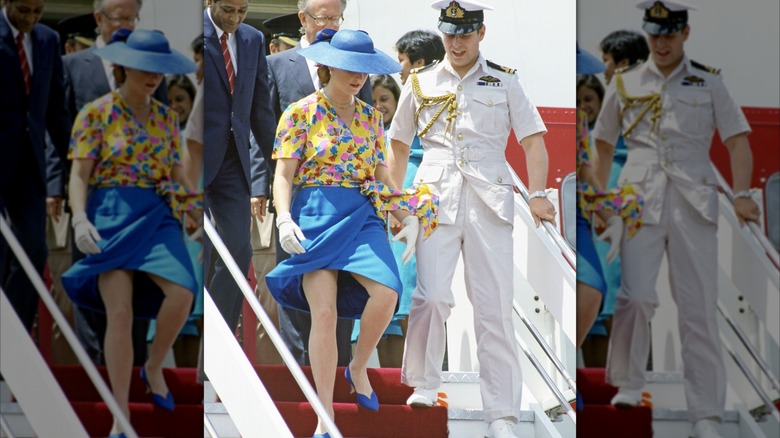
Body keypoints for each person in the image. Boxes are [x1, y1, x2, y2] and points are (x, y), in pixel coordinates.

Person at [388, 2, 556, 437]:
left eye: (464, 34)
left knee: (494, 309)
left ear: (481, 33)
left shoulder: (504, 81)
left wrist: (537, 194)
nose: (456, 43)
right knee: (430, 297)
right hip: (433, 196)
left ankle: (500, 413)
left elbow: (534, 141)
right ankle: (425, 382)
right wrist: (395, 200)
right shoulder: (421, 81)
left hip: (489, 198)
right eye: (449, 34)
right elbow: (399, 144)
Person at [593, 2, 760, 437]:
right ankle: (629, 383)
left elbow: (738, 141)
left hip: (692, 199)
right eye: (653, 35)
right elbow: (603, 143)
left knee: (697, 310)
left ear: (685, 33)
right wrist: (600, 197)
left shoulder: (708, 81)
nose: (660, 43)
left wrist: (742, 194)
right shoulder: (626, 82)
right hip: (637, 197)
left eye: (668, 35)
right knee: (635, 297)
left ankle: (705, 413)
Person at [265, 28, 437, 438]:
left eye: (364, 69)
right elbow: (283, 175)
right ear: (328, 67)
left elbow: (382, 177)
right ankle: (325, 413)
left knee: (388, 292)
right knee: (322, 316)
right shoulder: (300, 112)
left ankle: (358, 365)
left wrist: (407, 214)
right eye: (351, 69)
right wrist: (284, 217)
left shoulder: (372, 118)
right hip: (315, 214)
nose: (359, 77)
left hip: (361, 214)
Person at [60, 29, 199, 438]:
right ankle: (120, 414)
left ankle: (153, 365)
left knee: (183, 292)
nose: (154, 76)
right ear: (124, 66)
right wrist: (80, 219)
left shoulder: (166, 118)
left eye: (160, 69)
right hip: (111, 214)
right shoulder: (95, 112)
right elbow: (78, 175)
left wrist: (192, 208)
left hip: (157, 215)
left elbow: (177, 174)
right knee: (118, 315)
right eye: (146, 68)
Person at [60, 0, 168, 367]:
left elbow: (165, 131)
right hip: (90, 192)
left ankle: (137, 368)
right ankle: (94, 370)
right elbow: (58, 127)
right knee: (93, 283)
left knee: (135, 294)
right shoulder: (73, 65)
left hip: (142, 205)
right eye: (119, 17)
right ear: (98, 19)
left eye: (131, 17)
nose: (126, 23)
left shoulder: (153, 69)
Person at [266, 0, 372, 368]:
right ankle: (298, 372)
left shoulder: (359, 70)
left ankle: (340, 369)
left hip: (347, 205)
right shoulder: (278, 65)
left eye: (335, 17)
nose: (329, 23)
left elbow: (368, 136)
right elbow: (262, 127)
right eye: (322, 17)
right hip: (294, 193)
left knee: (339, 296)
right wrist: (264, 192)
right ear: (303, 19)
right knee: (297, 285)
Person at [203, 0, 277, 335]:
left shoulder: (252, 39)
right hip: (193, 156)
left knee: (239, 247)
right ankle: (196, 328)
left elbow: (260, 106)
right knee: (200, 249)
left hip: (234, 160)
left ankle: (218, 331)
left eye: (242, 11)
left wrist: (278, 161)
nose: (235, 19)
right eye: (228, 10)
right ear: (209, 2)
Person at [1, 0, 72, 336]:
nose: (30, 18)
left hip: (31, 163)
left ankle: (12, 331)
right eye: (23, 10)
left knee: (34, 247)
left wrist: (71, 160)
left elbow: (56, 107)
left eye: (37, 11)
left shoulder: (47, 39)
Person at [582, 29, 650, 368]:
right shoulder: (616, 103)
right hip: (604, 209)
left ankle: (630, 374)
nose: (604, 70)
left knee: (627, 293)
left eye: (608, 62)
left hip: (627, 206)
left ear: (622, 63)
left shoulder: (638, 100)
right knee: (604, 293)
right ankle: (600, 376)